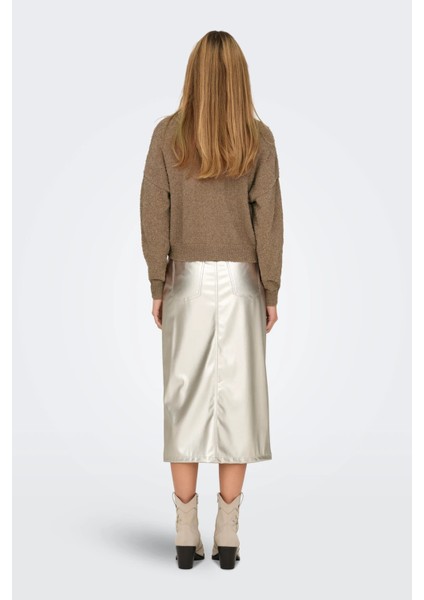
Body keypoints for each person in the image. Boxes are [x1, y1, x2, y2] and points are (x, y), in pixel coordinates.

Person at [139, 30, 284, 570]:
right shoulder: (258, 138)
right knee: (238, 404)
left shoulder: (167, 134)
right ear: (240, 77)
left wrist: (158, 282)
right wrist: (271, 289)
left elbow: (153, 211)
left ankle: (184, 532)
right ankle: (227, 533)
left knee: (183, 403)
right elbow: (268, 219)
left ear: (193, 73)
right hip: (244, 283)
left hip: (185, 282)